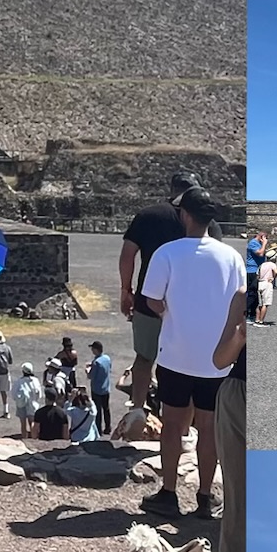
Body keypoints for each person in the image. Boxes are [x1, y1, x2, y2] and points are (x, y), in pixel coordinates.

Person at [139, 187, 246, 520]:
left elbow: (152, 300)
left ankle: (169, 493)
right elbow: (239, 302)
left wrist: (171, 310)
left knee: (173, 425)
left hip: (175, 354)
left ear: (184, 215)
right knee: (209, 427)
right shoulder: (232, 257)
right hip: (216, 359)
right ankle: (204, 496)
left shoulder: (167, 253)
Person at [119, 172, 217, 411]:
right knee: (187, 363)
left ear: (172, 188)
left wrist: (126, 290)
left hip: (149, 299)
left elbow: (127, 255)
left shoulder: (148, 215)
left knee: (144, 357)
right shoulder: (209, 224)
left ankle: (138, 409)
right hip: (190, 306)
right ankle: (183, 421)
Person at [210, 285, 246, 552]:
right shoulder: (242, 295)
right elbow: (220, 359)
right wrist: (240, 335)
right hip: (240, 398)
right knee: (239, 509)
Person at [87, 341, 113, 434]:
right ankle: (108, 427)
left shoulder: (96, 362)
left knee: (97, 410)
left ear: (96, 350)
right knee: (106, 409)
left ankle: (98, 429)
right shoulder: (107, 358)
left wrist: (88, 370)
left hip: (97, 389)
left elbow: (91, 376)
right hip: (106, 388)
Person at [14, 360, 43, 438]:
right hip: (33, 404)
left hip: (21, 404)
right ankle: (34, 437)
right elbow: (39, 394)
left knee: (23, 423)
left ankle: (24, 437)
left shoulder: (19, 381)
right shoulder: (35, 381)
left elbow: (13, 394)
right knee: (32, 422)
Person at [253, 248, 277, 324]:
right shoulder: (273, 265)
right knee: (265, 304)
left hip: (260, 283)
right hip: (267, 283)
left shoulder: (262, 265)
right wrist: (273, 278)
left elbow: (257, 275)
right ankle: (261, 321)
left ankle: (257, 319)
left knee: (259, 304)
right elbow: (276, 272)